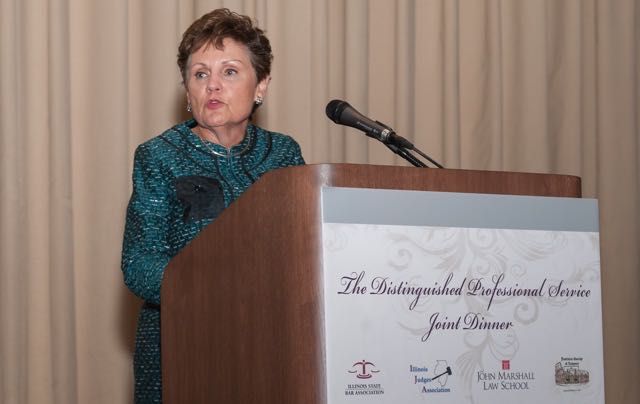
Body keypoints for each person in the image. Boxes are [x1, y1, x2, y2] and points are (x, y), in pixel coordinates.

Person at [121, 8, 304, 403]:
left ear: (261, 85)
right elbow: (139, 263)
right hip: (182, 344)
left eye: (230, 72)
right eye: (200, 74)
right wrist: (213, 288)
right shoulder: (159, 156)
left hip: (270, 344)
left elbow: (303, 250)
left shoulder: (283, 154)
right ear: (187, 91)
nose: (213, 86)